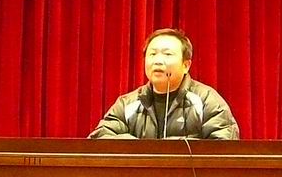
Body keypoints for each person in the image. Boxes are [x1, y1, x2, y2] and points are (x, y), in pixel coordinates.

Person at [90, 28, 239, 139]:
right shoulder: (127, 103)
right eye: (152, 54)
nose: (158, 61)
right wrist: (140, 149)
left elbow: (224, 146)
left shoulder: (206, 100)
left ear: (186, 65)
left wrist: (173, 149)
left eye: (167, 54)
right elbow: (99, 138)